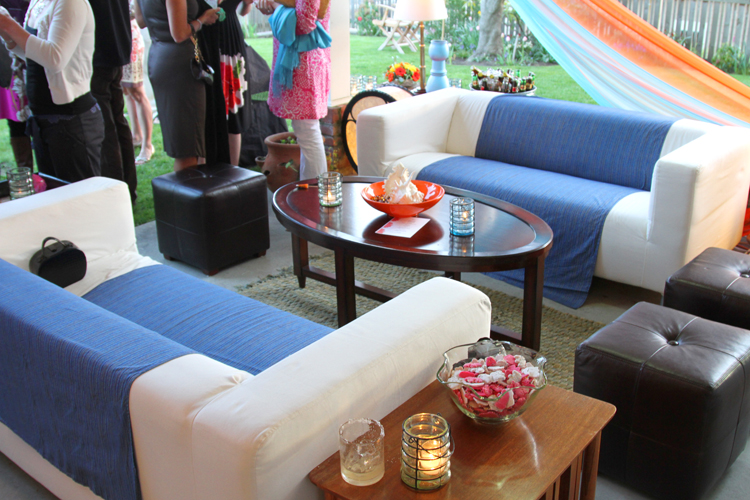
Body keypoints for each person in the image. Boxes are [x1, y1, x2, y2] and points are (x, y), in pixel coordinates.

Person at [0, 0, 104, 183]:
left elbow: (55, 59)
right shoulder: (39, 2)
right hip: (43, 117)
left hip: (70, 119)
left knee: (79, 194)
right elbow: (34, 54)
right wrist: (8, 34)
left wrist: (8, 24)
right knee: (55, 192)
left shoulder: (70, 3)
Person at [135, 0, 221, 171]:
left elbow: (141, 21)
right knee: (187, 149)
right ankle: (187, 187)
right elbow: (179, 34)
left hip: (159, 56)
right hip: (180, 65)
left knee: (184, 144)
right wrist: (202, 19)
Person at [256, 0, 330, 180]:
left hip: (304, 61)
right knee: (306, 133)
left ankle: (315, 193)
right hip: (301, 59)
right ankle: (311, 191)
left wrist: (274, 4)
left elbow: (304, 22)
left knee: (307, 132)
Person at [89, 0, 138, 204]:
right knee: (117, 122)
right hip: (116, 45)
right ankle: (128, 190)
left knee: (106, 127)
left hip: (99, 50)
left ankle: (117, 195)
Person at [218, 0, 252, 166]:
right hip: (207, 35)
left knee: (234, 106)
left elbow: (244, 10)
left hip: (230, 39)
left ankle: (233, 168)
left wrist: (247, 3)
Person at [123, 0, 153, 165]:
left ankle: (147, 145)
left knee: (137, 91)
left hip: (130, 37)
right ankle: (136, 135)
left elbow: (136, 13)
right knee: (127, 91)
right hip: (118, 37)